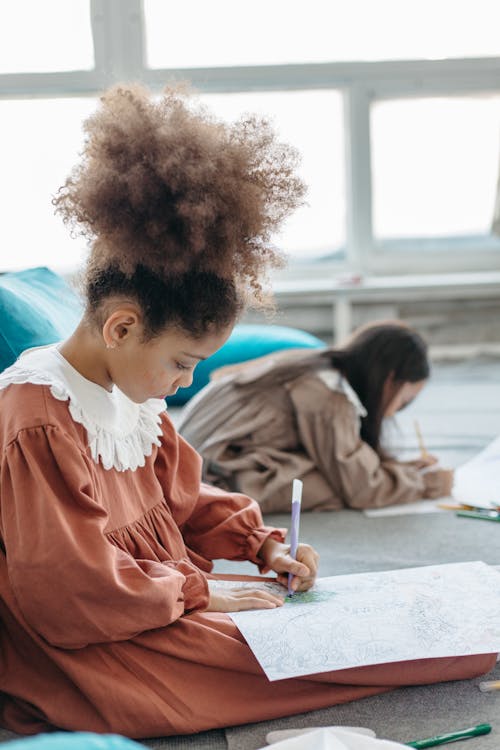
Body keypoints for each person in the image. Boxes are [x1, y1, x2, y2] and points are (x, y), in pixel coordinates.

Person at [0, 85, 493, 741]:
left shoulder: (130, 396)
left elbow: (185, 496)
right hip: (89, 643)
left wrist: (259, 543)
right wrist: (199, 593)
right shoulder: (37, 414)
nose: (189, 380)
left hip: (151, 604)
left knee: (337, 631)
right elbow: (66, 594)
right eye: (182, 362)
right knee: (320, 652)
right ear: (120, 328)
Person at [178, 322, 454, 512]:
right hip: (205, 483)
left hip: (190, 461)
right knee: (327, 485)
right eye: (403, 400)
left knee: (341, 468)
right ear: (389, 378)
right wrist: (429, 483)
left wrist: (399, 470)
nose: (394, 412)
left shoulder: (313, 363)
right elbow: (363, 489)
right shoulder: (329, 395)